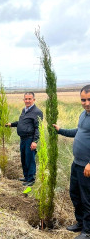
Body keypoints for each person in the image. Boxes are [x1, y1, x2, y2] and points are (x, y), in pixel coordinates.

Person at [53, 85, 90, 239]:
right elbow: (78, 131)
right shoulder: (83, 114)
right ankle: (80, 223)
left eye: (89, 99)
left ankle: (87, 231)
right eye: (83, 99)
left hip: (87, 166)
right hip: (77, 163)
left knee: (87, 199)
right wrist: (61, 130)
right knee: (74, 194)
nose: (87, 103)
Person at [6, 92, 43, 186]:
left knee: (30, 159)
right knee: (24, 158)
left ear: (34, 100)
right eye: (26, 99)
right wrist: (12, 124)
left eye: (29, 99)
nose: (27, 101)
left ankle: (31, 179)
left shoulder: (37, 112)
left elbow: (38, 128)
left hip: (30, 139)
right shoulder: (24, 110)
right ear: (23, 100)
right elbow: (21, 122)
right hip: (23, 139)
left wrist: (35, 141)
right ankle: (26, 177)